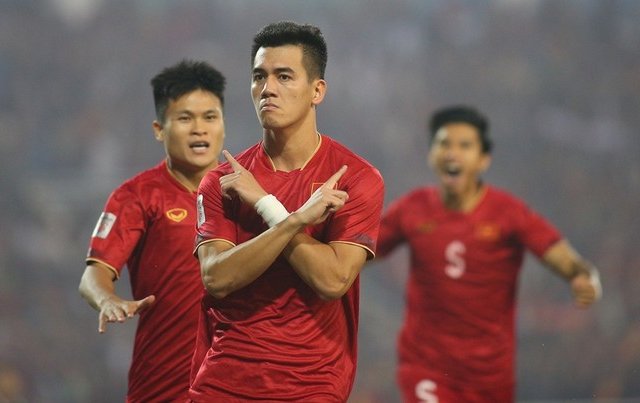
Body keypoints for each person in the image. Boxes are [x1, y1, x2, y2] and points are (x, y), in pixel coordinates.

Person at [189, 21, 384, 402]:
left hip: (312, 385)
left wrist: (265, 205)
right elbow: (217, 278)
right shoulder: (224, 181)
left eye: (284, 76)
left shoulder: (355, 179)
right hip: (223, 382)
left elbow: (332, 281)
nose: (268, 89)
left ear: (317, 91)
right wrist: (294, 218)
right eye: (259, 77)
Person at [375, 105, 602, 403]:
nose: (452, 153)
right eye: (444, 144)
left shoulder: (508, 213)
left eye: (464, 145)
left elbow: (562, 257)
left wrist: (584, 277)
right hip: (427, 367)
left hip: (490, 376)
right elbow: (359, 250)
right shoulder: (411, 209)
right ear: (431, 154)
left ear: (484, 159)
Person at [78, 60, 226, 402]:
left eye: (210, 117)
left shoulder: (249, 192)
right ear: (159, 129)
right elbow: (93, 276)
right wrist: (107, 299)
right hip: (163, 385)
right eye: (185, 118)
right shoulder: (138, 196)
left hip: (239, 382)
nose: (199, 129)